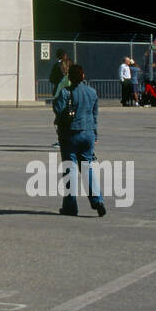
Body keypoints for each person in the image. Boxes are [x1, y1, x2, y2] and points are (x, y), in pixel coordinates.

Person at [51, 64, 106, 217]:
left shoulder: (65, 92)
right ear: (83, 76)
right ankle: (97, 200)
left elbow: (58, 109)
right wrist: (95, 134)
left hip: (70, 134)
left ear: (70, 77)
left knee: (70, 169)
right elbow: (95, 116)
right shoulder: (92, 92)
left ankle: (70, 206)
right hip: (88, 134)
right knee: (87, 167)